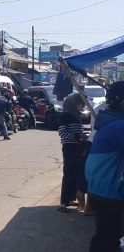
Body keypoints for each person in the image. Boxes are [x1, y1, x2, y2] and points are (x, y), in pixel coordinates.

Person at [85, 81, 124, 252]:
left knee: (105, 238)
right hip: (110, 192)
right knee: (107, 240)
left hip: (99, 188)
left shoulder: (109, 122)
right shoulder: (119, 127)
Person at [57, 93, 86, 213]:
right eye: (80, 104)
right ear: (73, 103)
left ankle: (70, 198)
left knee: (75, 173)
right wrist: (78, 136)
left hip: (76, 147)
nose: (81, 106)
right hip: (69, 147)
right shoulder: (66, 116)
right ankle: (63, 202)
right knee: (68, 174)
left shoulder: (76, 116)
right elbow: (62, 133)